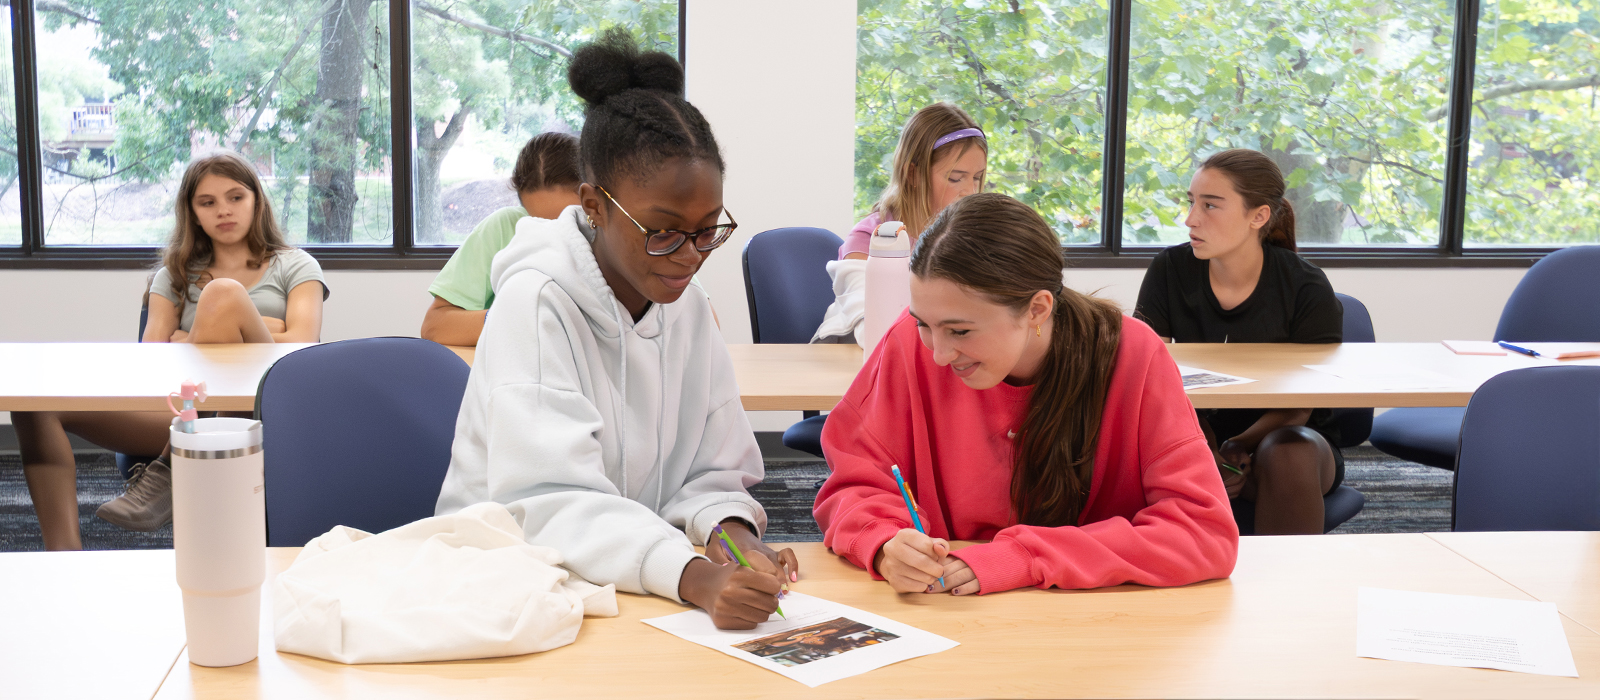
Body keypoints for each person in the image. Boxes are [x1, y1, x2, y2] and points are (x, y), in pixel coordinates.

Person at [434, 29, 796, 630]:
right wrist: (697, 577)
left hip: (637, 589)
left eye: (709, 230)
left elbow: (714, 467)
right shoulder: (537, 301)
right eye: (663, 230)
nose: (689, 254)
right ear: (594, 205)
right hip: (511, 594)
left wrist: (732, 540)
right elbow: (547, 502)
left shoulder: (685, 303)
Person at [815, 193, 1238, 596]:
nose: (939, 354)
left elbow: (1202, 533)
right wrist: (886, 542)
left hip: (1098, 622)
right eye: (924, 322)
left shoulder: (1134, 354)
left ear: (1037, 308)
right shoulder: (908, 344)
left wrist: (1026, 556)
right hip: (947, 610)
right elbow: (851, 486)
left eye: (960, 330)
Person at [13, 151, 327, 550]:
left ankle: (168, 471)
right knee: (34, 404)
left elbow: (302, 345)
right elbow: (153, 356)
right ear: (193, 213)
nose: (223, 211)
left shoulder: (294, 265)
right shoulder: (174, 274)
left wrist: (198, 329)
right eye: (207, 202)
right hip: (184, 409)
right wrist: (260, 327)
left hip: (262, 410)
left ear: (256, 202)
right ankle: (64, 555)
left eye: (235, 197)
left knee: (223, 294)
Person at [1134, 148, 1344, 535]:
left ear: (1258, 216)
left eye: (1210, 206)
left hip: (1289, 439)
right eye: (1191, 202)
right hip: (1190, 430)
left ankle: (1289, 592)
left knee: (1288, 452)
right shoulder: (1169, 269)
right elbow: (1150, 377)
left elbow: (1301, 406)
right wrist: (1204, 445)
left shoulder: (1306, 286)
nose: (1190, 219)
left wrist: (1237, 444)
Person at [812, 103, 987, 343]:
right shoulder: (871, 240)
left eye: (977, 178)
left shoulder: (969, 241)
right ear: (912, 174)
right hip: (853, 354)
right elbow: (875, 329)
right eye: (955, 178)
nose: (970, 191)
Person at [421, 132, 582, 346]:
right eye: (538, 222)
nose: (555, 235)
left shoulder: (614, 240)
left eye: (569, 219)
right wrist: (514, 320)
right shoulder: (504, 228)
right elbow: (436, 326)